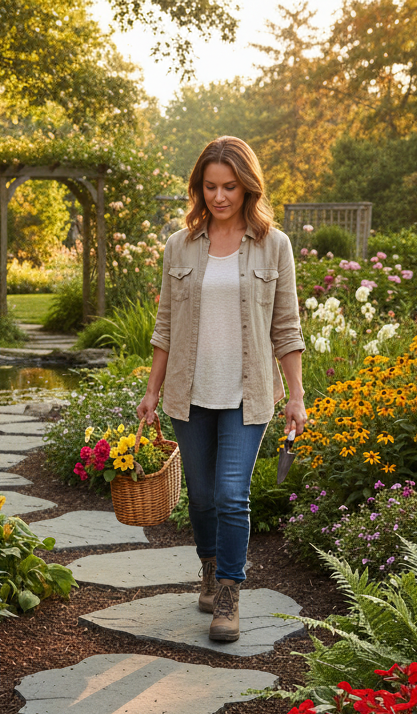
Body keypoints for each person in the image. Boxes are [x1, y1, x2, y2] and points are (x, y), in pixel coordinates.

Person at [136, 136, 307, 642]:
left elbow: (287, 326)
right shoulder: (179, 245)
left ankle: (229, 593)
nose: (220, 196)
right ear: (199, 188)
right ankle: (209, 568)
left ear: (247, 186)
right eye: (210, 186)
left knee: (233, 495)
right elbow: (165, 324)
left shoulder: (274, 245)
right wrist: (152, 389)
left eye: (230, 186)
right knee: (204, 498)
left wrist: (296, 395)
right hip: (189, 394)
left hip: (247, 393)